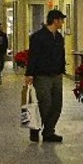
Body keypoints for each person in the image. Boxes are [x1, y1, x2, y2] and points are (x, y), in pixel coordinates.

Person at [25, 10, 67, 142]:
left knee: (57, 105)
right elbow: (33, 56)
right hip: (42, 75)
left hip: (57, 75)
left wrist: (62, 69)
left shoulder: (59, 37)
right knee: (45, 104)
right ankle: (36, 128)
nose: (62, 22)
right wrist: (29, 74)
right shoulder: (38, 37)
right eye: (61, 20)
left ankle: (49, 131)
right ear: (55, 20)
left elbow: (61, 55)